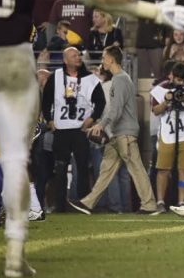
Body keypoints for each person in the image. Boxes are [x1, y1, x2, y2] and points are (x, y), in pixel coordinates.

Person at [67, 45, 158, 214]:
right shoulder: (121, 78)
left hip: (124, 134)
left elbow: (116, 110)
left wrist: (101, 125)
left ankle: (150, 204)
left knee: (136, 168)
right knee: (106, 170)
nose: (102, 61)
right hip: (117, 134)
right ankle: (88, 203)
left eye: (103, 57)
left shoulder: (120, 80)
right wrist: (101, 124)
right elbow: (113, 111)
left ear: (110, 59)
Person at [41, 46, 105, 213]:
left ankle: (83, 204)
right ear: (65, 60)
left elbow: (101, 101)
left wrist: (92, 118)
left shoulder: (91, 79)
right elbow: (46, 100)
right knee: (60, 168)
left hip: (80, 130)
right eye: (73, 55)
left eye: (78, 55)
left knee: (83, 168)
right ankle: (59, 205)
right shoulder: (55, 77)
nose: (78, 57)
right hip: (61, 130)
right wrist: (49, 120)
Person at [149, 63, 184, 214]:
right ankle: (160, 202)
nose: (180, 83)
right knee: (163, 168)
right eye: (177, 79)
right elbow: (155, 111)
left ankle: (181, 202)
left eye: (182, 80)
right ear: (171, 76)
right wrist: (166, 101)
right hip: (167, 133)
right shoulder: (160, 89)